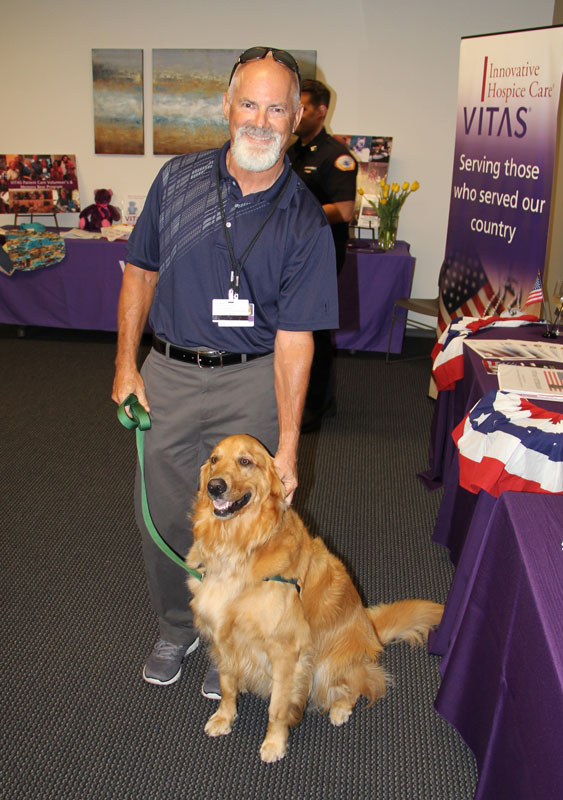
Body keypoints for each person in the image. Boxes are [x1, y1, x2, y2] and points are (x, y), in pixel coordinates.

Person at [111, 47, 338, 693]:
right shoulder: (178, 180)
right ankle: (179, 628)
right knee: (160, 513)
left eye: (276, 107)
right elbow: (140, 271)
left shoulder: (303, 220)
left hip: (251, 382)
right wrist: (127, 364)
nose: (260, 120)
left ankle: (231, 643)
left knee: (245, 528)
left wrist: (288, 448)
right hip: (170, 377)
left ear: (298, 116)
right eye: (249, 103)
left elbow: (297, 340)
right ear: (226, 107)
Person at [287, 79, 357, 432]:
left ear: (321, 111)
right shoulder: (292, 150)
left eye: (303, 108)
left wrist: (296, 216)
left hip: (322, 253)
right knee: (289, 329)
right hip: (291, 253)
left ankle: (317, 404)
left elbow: (344, 211)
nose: (296, 115)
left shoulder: (337, 156)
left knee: (313, 331)